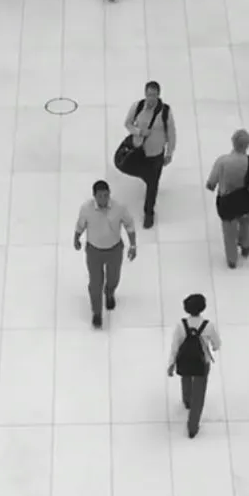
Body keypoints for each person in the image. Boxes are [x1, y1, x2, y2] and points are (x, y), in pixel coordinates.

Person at [74, 180, 136, 328]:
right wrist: (76, 238)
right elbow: (80, 225)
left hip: (114, 249)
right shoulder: (86, 209)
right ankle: (96, 312)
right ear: (94, 196)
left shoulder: (119, 208)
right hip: (94, 250)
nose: (103, 199)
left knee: (114, 277)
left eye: (106, 195)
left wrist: (132, 245)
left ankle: (109, 292)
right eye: (100, 196)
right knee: (95, 283)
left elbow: (129, 225)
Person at [206, 129, 249, 269]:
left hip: (227, 203)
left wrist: (213, 185)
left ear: (233, 142)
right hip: (246, 201)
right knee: (247, 223)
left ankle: (232, 259)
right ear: (248, 144)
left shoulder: (223, 161)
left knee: (229, 232)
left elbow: (211, 182)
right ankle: (246, 246)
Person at [122, 81, 177, 229]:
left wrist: (169, 152)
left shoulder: (165, 112)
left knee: (153, 185)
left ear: (158, 95)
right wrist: (139, 132)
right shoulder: (138, 107)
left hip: (155, 154)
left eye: (154, 95)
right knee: (123, 164)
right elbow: (128, 124)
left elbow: (171, 134)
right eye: (148, 95)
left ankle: (149, 213)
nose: (151, 98)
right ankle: (145, 177)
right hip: (139, 150)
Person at [168, 295, 221, 439]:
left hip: (184, 360)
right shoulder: (208, 326)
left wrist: (171, 364)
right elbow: (217, 344)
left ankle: (186, 400)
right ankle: (192, 426)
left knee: (185, 378)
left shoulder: (181, 325)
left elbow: (175, 346)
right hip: (201, 362)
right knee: (199, 393)